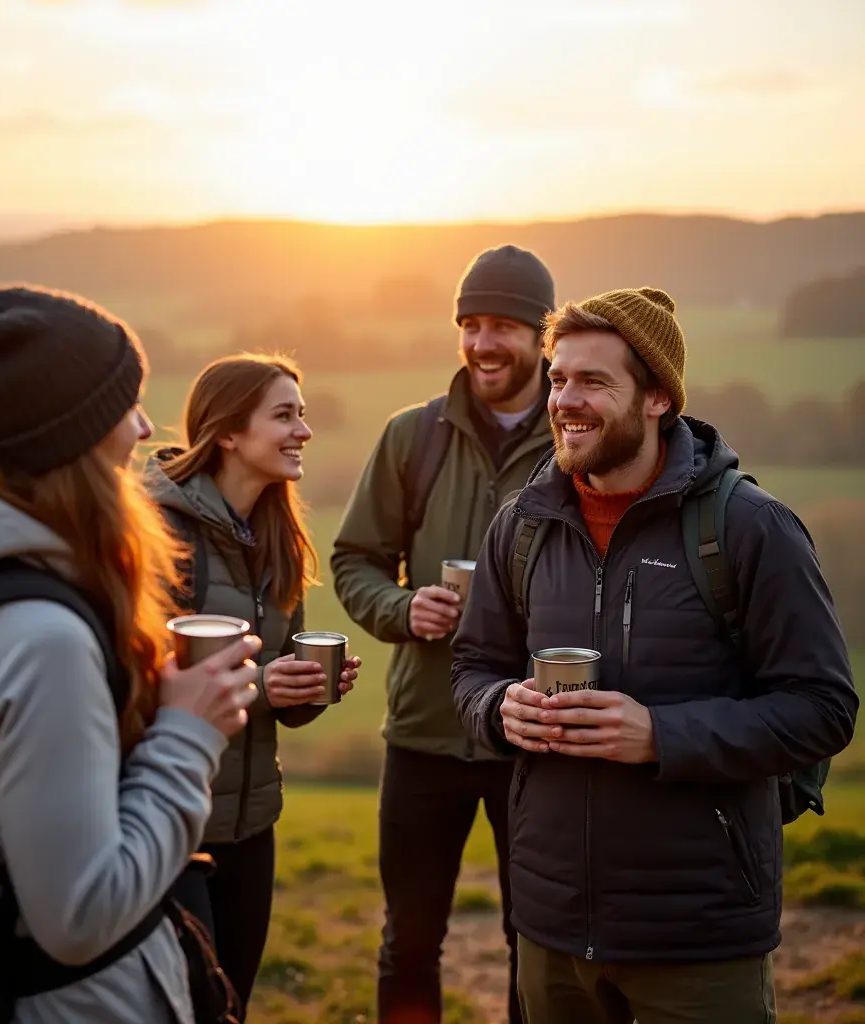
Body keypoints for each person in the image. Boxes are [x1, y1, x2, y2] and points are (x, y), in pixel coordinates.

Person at [451, 287, 858, 1024]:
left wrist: (660, 737)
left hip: (700, 939)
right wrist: (496, 709)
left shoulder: (749, 529)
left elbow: (823, 710)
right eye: (558, 377)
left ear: (657, 399)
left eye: (593, 382)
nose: (564, 400)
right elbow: (472, 669)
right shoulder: (522, 525)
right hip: (549, 929)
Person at [0, 285, 261, 1024]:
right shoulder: (42, 641)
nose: (144, 427)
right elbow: (79, 917)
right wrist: (188, 732)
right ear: (70, 439)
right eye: (124, 406)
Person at [332, 245, 557, 1024]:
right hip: (424, 735)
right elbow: (354, 558)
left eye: (503, 325)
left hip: (533, 735)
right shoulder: (411, 436)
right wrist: (404, 609)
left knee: (534, 943)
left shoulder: (575, 437)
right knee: (409, 940)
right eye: (470, 323)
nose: (483, 342)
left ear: (542, 335)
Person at [147, 352, 361, 1020]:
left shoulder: (278, 538)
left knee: (233, 1001)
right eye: (285, 415)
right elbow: (140, 678)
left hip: (252, 825)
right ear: (230, 433)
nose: (304, 431)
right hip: (174, 822)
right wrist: (268, 682)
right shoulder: (159, 534)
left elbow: (272, 699)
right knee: (192, 1008)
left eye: (303, 415)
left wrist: (306, 690)